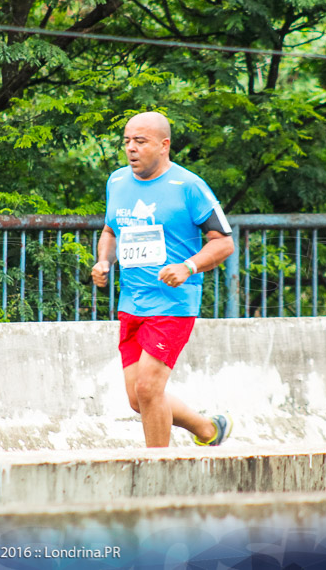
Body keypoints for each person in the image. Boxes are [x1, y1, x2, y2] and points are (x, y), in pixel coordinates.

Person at [91, 111, 235, 448]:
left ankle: (159, 474)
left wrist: (188, 266)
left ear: (163, 145)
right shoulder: (117, 181)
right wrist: (103, 261)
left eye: (140, 142)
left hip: (174, 304)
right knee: (136, 398)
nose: (131, 149)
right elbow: (111, 230)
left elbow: (224, 241)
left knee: (148, 389)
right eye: (127, 141)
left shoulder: (189, 186)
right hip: (132, 302)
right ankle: (208, 429)